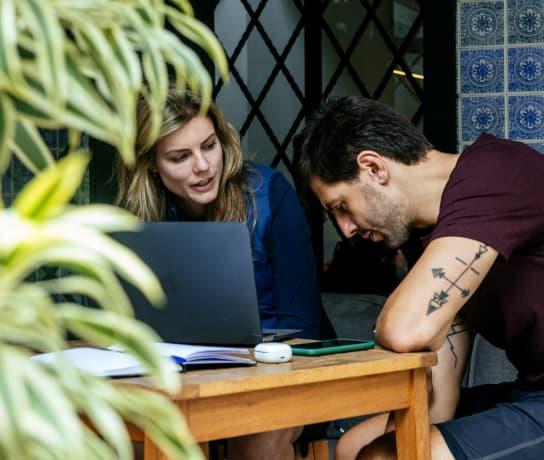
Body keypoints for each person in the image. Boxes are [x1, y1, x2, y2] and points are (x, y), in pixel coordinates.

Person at [296, 95, 544, 459]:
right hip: (532, 392)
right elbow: (440, 397)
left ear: (374, 168)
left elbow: (405, 331)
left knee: (383, 457)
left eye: (341, 207)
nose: (345, 229)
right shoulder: (432, 233)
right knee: (354, 447)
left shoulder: (496, 172)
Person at [116, 89, 322, 460]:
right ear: (151, 165)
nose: (203, 166)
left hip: (276, 373)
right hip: (178, 378)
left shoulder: (270, 194)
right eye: (180, 157)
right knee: (130, 432)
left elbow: (303, 325)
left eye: (209, 146)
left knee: (257, 433)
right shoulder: (139, 219)